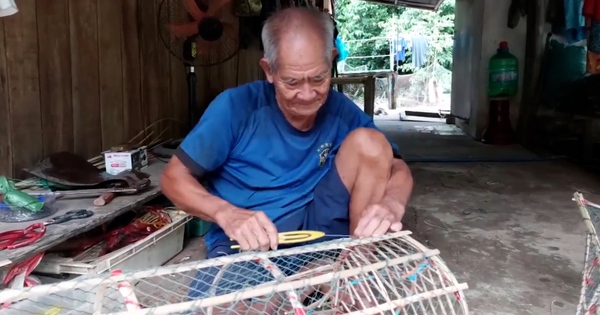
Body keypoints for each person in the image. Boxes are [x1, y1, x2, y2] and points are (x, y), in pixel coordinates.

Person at [160, 6, 413, 306]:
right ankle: (299, 286)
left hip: (326, 237)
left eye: (318, 79)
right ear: (269, 70)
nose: (307, 95)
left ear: (331, 60)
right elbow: (173, 178)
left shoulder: (339, 109)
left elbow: (397, 168)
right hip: (251, 247)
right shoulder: (235, 109)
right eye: (292, 82)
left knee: (372, 144)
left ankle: (353, 270)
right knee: (227, 307)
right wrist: (226, 213)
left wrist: (391, 204)